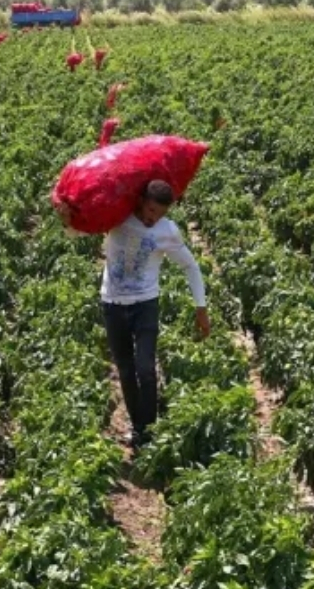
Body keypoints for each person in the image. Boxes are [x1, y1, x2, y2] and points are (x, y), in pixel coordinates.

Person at [101, 180, 211, 450]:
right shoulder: (116, 216)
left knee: (145, 368)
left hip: (145, 304)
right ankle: (138, 427)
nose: (153, 218)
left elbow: (190, 266)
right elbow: (78, 226)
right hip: (112, 303)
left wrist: (201, 307)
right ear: (140, 201)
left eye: (160, 213)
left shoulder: (167, 231)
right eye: (151, 210)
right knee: (126, 370)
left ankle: (149, 427)